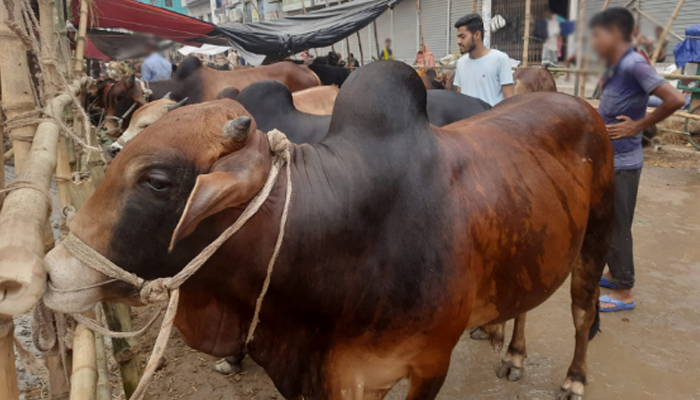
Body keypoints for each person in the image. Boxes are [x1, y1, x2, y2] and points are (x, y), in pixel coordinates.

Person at [590, 7, 685, 312]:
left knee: (617, 225)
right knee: (610, 221)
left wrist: (637, 125)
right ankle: (614, 274)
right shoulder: (618, 64)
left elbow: (675, 99)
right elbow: (644, 95)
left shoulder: (633, 63)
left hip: (623, 162)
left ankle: (624, 292)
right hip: (610, 158)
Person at [453, 14, 514, 106]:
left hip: (492, 119)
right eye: (458, 37)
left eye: (463, 37)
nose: (459, 41)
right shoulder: (461, 63)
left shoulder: (500, 59)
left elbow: (509, 100)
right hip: (467, 119)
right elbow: (460, 96)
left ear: (477, 35)